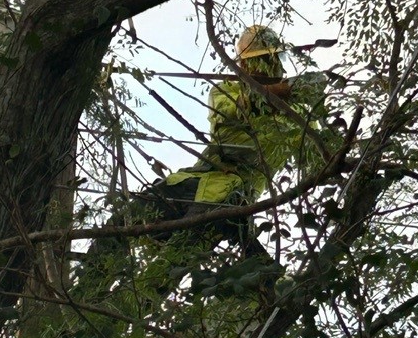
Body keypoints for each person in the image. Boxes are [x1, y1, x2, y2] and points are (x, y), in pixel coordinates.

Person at [135, 25, 328, 241]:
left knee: (181, 251)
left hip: (230, 198)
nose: (266, 66)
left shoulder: (297, 119)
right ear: (244, 64)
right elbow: (241, 107)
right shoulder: (227, 90)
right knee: (132, 211)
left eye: (270, 59)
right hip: (192, 180)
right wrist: (281, 91)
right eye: (260, 60)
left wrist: (310, 87)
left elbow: (317, 160)